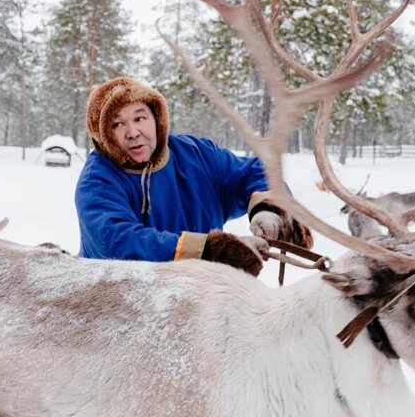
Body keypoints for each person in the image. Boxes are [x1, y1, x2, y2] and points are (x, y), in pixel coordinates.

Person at [75, 76, 312, 277]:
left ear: (156, 118)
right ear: (104, 135)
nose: (133, 132)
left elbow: (254, 172)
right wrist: (212, 250)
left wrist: (268, 209)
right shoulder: (97, 180)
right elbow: (118, 241)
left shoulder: (196, 154)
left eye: (140, 118)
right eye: (117, 124)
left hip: (199, 299)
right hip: (121, 307)